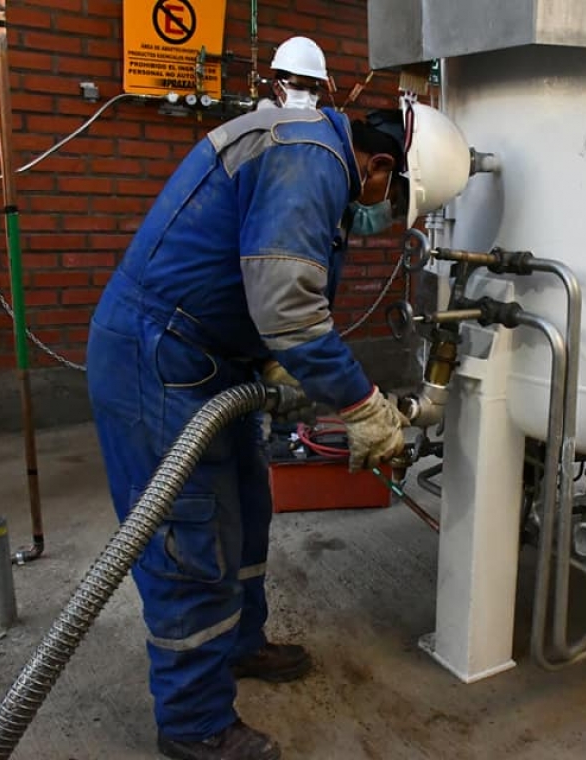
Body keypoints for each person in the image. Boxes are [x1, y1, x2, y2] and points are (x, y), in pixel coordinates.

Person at [85, 98, 473, 760]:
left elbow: (257, 276)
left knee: (244, 507)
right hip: (158, 359)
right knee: (190, 536)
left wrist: (272, 363)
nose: (384, 218)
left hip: (209, 358)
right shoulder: (310, 157)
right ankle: (193, 723)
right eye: (394, 200)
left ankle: (239, 643)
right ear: (380, 166)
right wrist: (362, 407)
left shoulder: (317, 158)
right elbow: (289, 306)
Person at [258, 36, 329, 110]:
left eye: (314, 89)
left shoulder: (318, 117)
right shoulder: (260, 117)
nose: (307, 98)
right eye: (299, 87)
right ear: (277, 88)